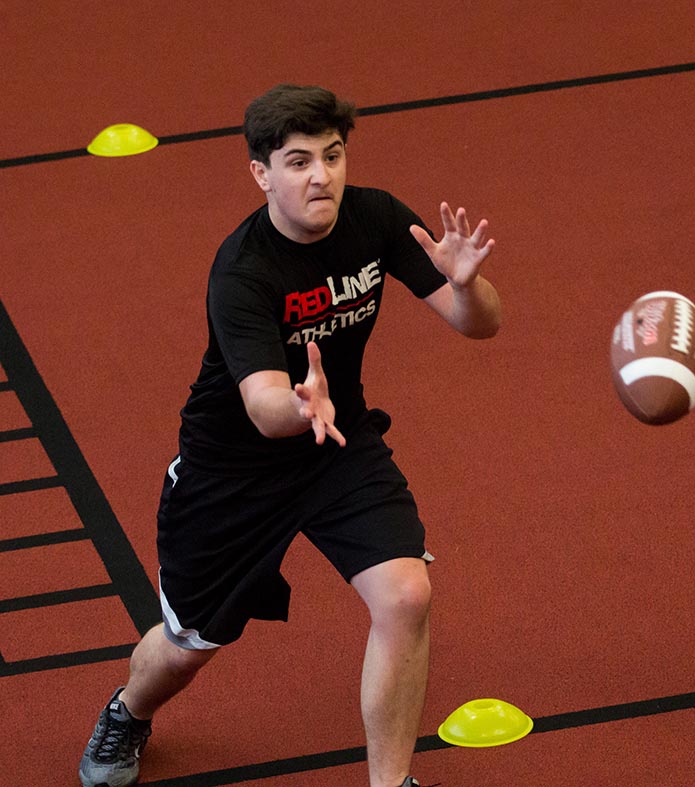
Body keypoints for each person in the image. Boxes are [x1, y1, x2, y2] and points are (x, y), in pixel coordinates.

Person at [78, 83, 501, 787]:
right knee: (186, 647)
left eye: (332, 156)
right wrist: (302, 406)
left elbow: (480, 324)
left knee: (406, 595)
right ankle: (129, 709)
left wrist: (463, 286)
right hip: (234, 470)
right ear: (262, 174)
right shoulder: (243, 270)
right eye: (299, 162)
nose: (321, 176)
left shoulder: (377, 218)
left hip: (336, 446)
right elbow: (263, 405)